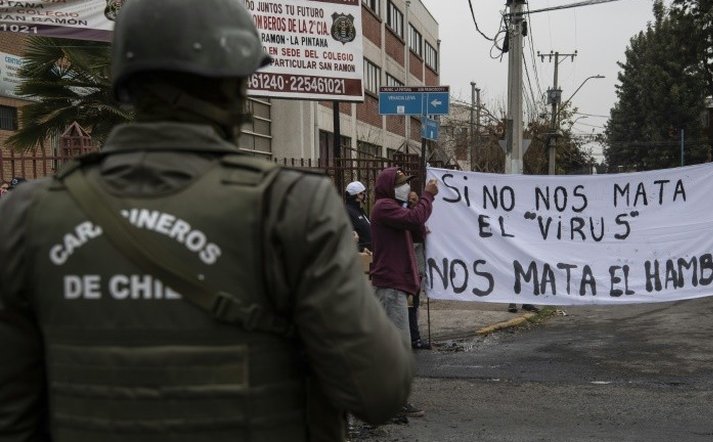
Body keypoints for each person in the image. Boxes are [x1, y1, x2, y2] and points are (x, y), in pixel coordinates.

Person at [0, 1, 413, 440]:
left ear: (128, 82)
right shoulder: (292, 206)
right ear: (233, 87)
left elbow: (12, 416)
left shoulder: (28, 215)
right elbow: (380, 391)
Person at [370, 168, 438, 419]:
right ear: (388, 185)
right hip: (389, 287)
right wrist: (427, 197)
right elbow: (412, 220)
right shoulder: (383, 207)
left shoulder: (394, 208)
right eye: (401, 184)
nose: (406, 187)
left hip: (396, 286)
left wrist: (415, 207)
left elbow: (415, 226)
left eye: (407, 184)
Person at [407, 190, 430, 350]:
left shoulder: (417, 219)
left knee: (414, 305)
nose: (413, 202)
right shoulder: (409, 219)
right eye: (411, 199)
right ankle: (414, 338)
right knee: (411, 305)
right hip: (410, 270)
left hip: (417, 269)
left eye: (416, 199)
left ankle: (414, 336)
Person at [345, 181, 372, 252]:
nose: (365, 196)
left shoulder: (359, 210)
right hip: (362, 254)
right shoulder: (348, 211)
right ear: (357, 195)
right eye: (362, 193)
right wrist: (360, 248)